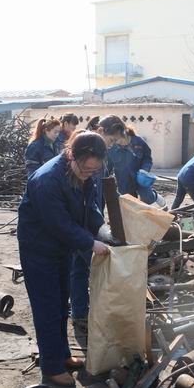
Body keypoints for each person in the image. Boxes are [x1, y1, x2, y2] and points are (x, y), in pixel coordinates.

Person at [17, 132, 111, 386]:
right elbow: (58, 224)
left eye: (94, 170)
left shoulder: (84, 174)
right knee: (47, 307)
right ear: (71, 155)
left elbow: (89, 206)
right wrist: (91, 243)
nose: (89, 173)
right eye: (86, 168)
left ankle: (62, 355)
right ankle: (51, 366)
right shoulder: (46, 180)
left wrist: (102, 229)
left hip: (61, 248)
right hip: (39, 249)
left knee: (61, 305)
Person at [68, 115, 126, 332]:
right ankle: (80, 313)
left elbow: (107, 187)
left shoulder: (102, 156)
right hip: (78, 217)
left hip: (93, 214)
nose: (110, 146)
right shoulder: (83, 150)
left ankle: (81, 310)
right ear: (101, 130)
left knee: (83, 266)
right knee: (82, 264)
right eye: (111, 140)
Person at [107, 124, 166, 207]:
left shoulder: (139, 142)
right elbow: (109, 164)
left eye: (120, 141)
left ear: (125, 134)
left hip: (141, 177)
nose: (120, 144)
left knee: (147, 199)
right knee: (130, 203)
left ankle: (155, 196)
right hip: (123, 180)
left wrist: (145, 169)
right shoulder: (113, 148)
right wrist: (107, 176)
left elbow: (147, 158)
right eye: (116, 142)